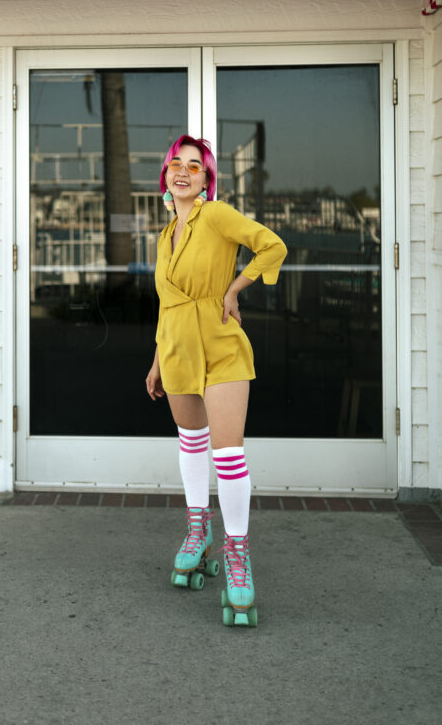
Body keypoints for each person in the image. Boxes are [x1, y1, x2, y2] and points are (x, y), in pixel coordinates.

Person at [145, 134, 287, 627]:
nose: (183, 171)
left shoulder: (217, 215)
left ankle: (238, 554)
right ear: (166, 175)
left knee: (227, 454)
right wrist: (158, 359)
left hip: (222, 344)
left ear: (206, 179)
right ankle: (197, 529)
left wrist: (235, 287)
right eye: (176, 164)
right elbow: (167, 305)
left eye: (195, 166)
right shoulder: (164, 236)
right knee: (191, 442)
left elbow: (273, 245)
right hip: (178, 346)